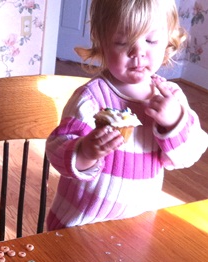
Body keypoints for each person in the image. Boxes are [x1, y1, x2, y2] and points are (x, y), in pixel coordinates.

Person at [46, 0, 208, 230]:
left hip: (137, 224)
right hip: (81, 224)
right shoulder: (91, 99)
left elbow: (189, 154)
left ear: (168, 42)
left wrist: (174, 122)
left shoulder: (171, 97)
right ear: (102, 44)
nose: (138, 52)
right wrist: (85, 151)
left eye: (151, 40)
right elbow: (56, 151)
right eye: (122, 42)